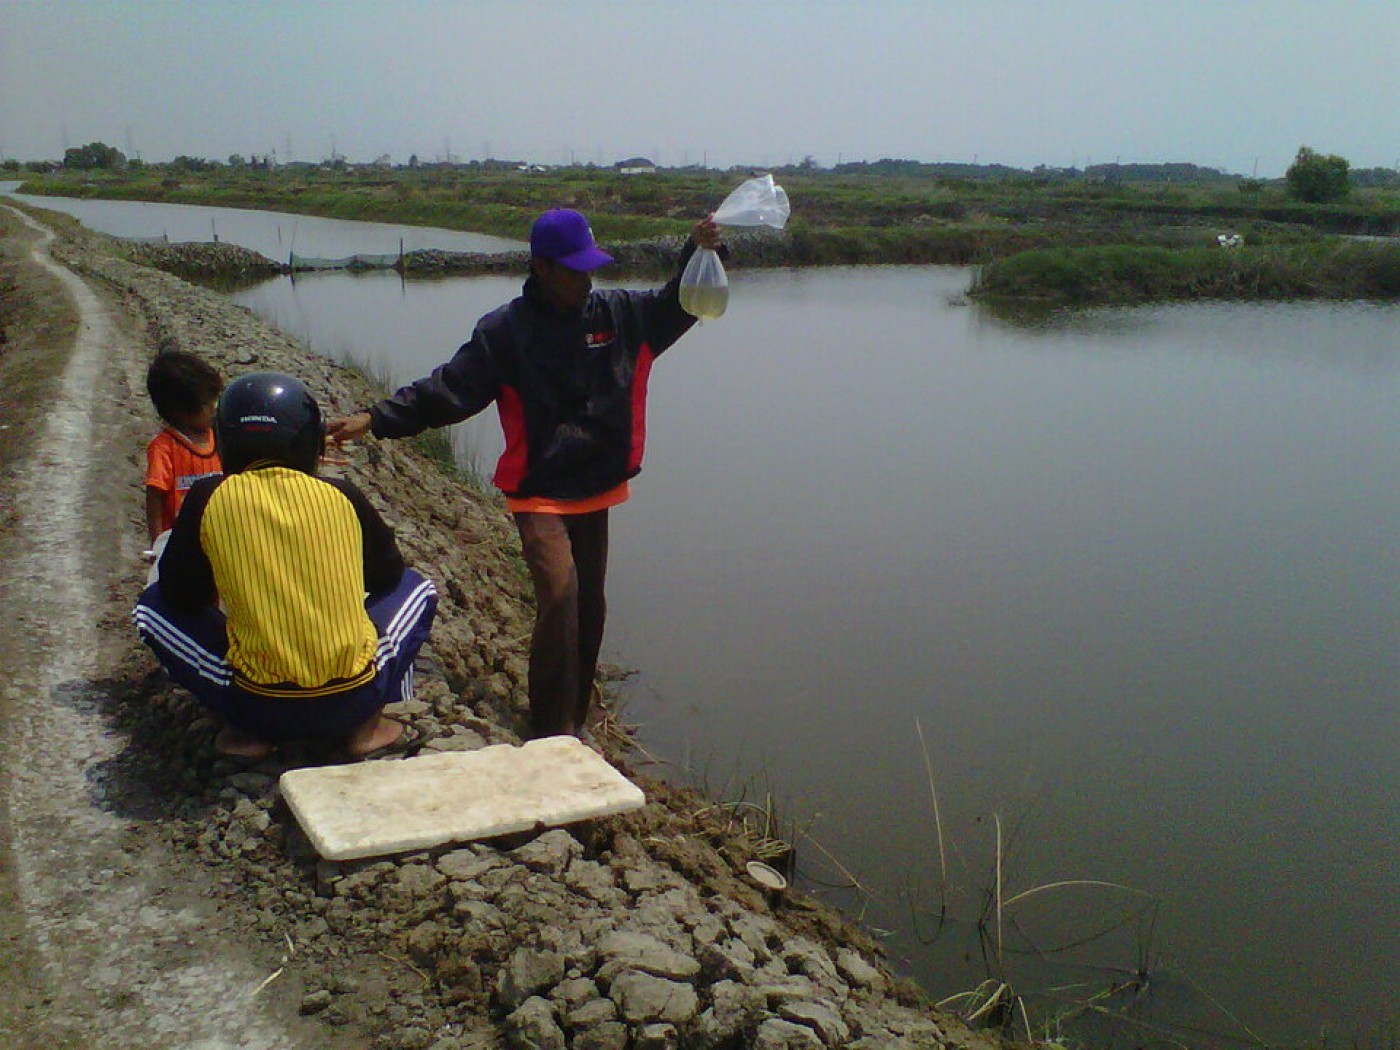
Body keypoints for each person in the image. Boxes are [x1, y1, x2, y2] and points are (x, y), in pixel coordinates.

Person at [327, 208, 723, 740]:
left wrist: (700, 251)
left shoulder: (620, 316)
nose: (586, 279)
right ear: (542, 267)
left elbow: (681, 303)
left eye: (590, 267)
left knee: (589, 608)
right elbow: (449, 390)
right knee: (559, 594)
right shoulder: (506, 331)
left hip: (597, 485)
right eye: (574, 269)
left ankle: (577, 720)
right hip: (539, 490)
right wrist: (376, 418)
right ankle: (550, 730)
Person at [133, 371, 438, 760]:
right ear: (311, 444)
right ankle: (367, 729)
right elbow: (387, 577)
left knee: (151, 608)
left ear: (225, 442)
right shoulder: (342, 494)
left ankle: (245, 734)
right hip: (352, 701)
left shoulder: (208, 496)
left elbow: (181, 596)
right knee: (418, 588)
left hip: (259, 708)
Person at [144, 350, 224, 545]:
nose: (214, 408)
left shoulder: (221, 438)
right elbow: (155, 497)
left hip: (218, 537)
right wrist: (157, 544)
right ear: (180, 410)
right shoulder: (164, 448)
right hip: (180, 543)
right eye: (206, 403)